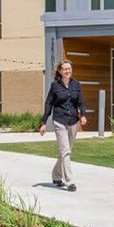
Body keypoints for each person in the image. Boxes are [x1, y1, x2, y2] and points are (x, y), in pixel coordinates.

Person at [38, 59, 86, 191]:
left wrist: (83, 115)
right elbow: (49, 104)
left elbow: (81, 102)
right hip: (59, 121)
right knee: (65, 150)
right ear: (60, 71)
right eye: (65, 69)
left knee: (66, 151)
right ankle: (69, 181)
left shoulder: (76, 84)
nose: (67, 71)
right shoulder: (55, 86)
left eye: (69, 68)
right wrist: (43, 122)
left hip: (73, 121)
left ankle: (56, 175)